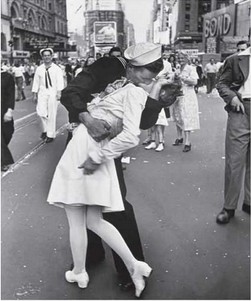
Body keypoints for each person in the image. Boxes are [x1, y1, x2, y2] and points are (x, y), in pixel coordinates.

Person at [47, 43, 169, 297]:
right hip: (85, 137)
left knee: (115, 205)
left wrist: (156, 97)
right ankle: (90, 257)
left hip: (107, 146)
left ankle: (129, 267)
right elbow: (70, 93)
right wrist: (87, 119)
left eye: (157, 72)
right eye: (149, 71)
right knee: (84, 205)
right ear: (133, 66)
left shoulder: (143, 86)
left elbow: (142, 123)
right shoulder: (107, 66)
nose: (152, 77)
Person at [216, 46, 250, 224]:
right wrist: (232, 97)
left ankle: (249, 202)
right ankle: (229, 207)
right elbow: (221, 83)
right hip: (241, 109)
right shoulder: (236, 60)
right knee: (235, 161)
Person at [32, 48, 64, 143]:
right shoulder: (39, 69)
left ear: (51, 56)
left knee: (51, 114)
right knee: (40, 112)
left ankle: (50, 134)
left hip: (53, 93)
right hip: (42, 92)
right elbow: (36, 82)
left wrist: (59, 93)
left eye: (48, 55)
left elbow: (60, 82)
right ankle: (45, 130)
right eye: (44, 55)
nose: (46, 57)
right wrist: (34, 94)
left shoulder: (57, 69)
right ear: (42, 57)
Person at [171, 51, 200, 152]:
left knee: (186, 116)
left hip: (187, 95)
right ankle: (179, 137)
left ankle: (188, 142)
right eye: (178, 58)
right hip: (178, 94)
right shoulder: (177, 68)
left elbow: (194, 81)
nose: (180, 60)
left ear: (187, 59)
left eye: (182, 58)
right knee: (178, 116)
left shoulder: (191, 68)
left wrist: (183, 78)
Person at [1, 66, 15, 171]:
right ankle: (4, 161)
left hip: (4, 110)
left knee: (8, 133)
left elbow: (11, 95)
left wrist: (9, 110)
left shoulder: (7, 77)